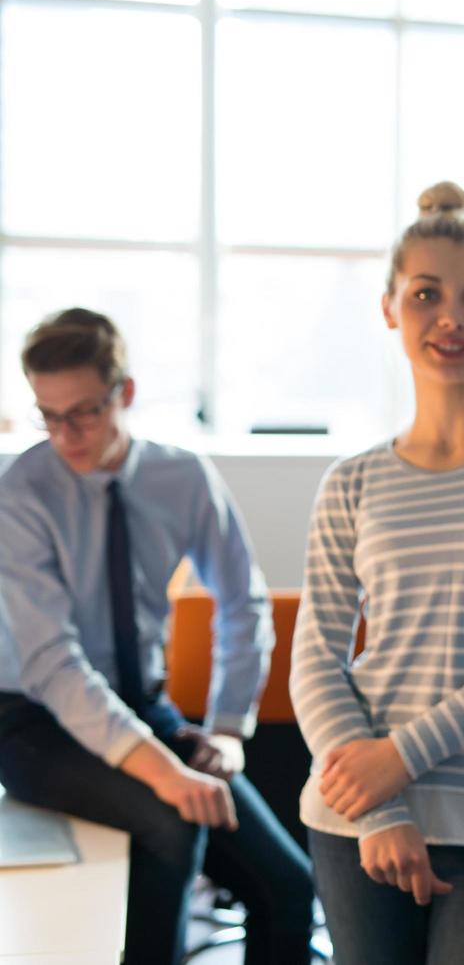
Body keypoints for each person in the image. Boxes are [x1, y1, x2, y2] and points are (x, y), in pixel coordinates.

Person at [289, 182, 464, 965]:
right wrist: (378, 803)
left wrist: (401, 759)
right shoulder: (353, 481)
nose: (452, 318)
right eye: (426, 295)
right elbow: (316, 655)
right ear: (389, 308)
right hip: (358, 812)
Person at [0, 308, 315, 965]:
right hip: (30, 720)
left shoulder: (183, 478)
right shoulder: (21, 495)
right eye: (47, 415)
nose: (66, 435)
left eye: (83, 412)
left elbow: (241, 604)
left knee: (288, 887)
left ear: (126, 393)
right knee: (170, 821)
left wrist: (227, 727)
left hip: (144, 705)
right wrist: (164, 773)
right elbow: (54, 666)